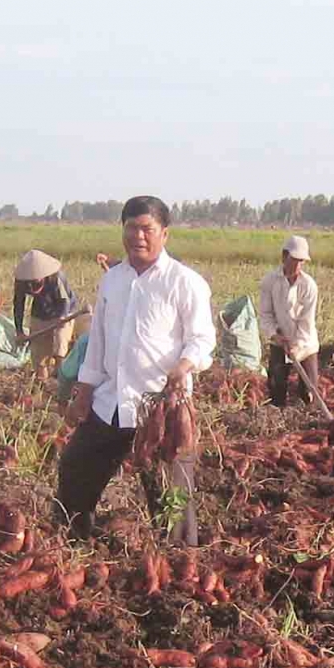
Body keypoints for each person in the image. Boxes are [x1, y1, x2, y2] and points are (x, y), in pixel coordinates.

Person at [57, 197, 215, 545]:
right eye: (131, 228)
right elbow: (96, 341)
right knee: (75, 468)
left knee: (169, 491)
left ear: (165, 234)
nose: (138, 236)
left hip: (161, 406)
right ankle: (73, 539)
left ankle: (177, 555)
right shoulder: (113, 280)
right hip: (110, 400)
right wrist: (83, 393)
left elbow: (203, 339)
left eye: (147, 229)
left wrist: (184, 364)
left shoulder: (184, 282)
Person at [259, 235, 326, 412]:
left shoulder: (309, 286)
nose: (297, 266)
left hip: (306, 344)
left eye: (301, 261)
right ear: (284, 256)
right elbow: (265, 315)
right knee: (277, 386)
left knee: (309, 390)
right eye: (293, 260)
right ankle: (277, 419)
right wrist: (276, 336)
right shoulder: (270, 281)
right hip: (279, 340)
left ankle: (308, 420)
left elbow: (307, 322)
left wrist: (297, 347)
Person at [13, 249, 82, 379]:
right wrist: (19, 331)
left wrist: (61, 319)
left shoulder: (56, 277)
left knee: (60, 346)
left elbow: (64, 301)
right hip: (40, 311)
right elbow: (18, 305)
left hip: (64, 311)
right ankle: (42, 381)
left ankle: (60, 377)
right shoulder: (21, 282)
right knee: (39, 352)